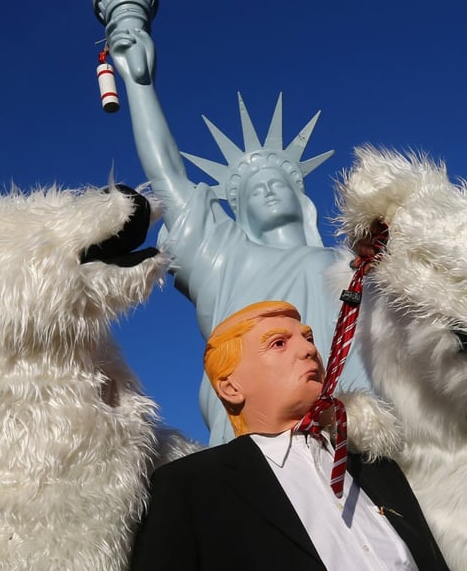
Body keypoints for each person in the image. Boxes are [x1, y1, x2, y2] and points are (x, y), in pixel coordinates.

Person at [109, 25, 373, 445]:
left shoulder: (345, 265)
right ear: (240, 209)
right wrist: (139, 84)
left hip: (357, 427)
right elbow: (168, 177)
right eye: (254, 190)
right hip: (260, 438)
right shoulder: (227, 257)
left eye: (277, 183)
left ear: (301, 200)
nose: (268, 191)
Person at [129, 301, 448, 571]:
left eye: (308, 338)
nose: (309, 349)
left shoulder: (380, 470)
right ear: (231, 387)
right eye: (279, 343)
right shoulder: (189, 485)